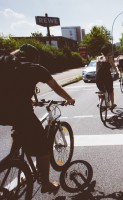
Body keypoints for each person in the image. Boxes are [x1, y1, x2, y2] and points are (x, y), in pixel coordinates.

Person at [7, 44, 75, 193]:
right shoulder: (35, 68)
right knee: (43, 148)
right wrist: (69, 98)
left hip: (4, 112)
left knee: (19, 131)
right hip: (20, 112)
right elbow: (56, 87)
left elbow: (13, 90)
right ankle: (45, 183)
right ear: (35, 57)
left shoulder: (8, 65)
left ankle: (16, 160)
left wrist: (27, 99)